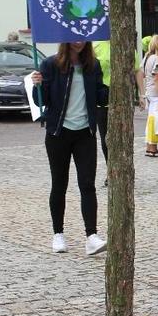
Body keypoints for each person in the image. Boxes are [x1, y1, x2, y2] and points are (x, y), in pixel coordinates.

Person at [31, 41, 109, 256]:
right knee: (59, 184)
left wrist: (117, 88)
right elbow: (41, 101)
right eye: (74, 36)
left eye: (83, 37)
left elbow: (101, 94)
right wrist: (36, 85)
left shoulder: (93, 66)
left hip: (85, 133)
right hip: (58, 133)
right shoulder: (50, 65)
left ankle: (91, 236)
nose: (79, 41)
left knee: (88, 184)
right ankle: (58, 234)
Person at [92, 41, 111, 169]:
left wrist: (141, 94)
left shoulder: (125, 44)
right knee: (105, 136)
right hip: (102, 100)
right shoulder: (96, 45)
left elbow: (136, 70)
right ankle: (110, 168)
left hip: (121, 98)